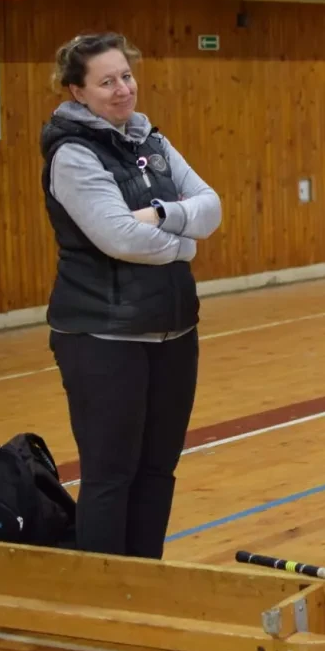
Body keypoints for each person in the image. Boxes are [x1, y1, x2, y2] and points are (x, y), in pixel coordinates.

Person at [41, 32, 222, 558]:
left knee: (158, 468)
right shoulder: (72, 154)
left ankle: (145, 582)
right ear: (77, 91)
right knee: (110, 474)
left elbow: (211, 205)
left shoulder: (149, 140)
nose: (123, 89)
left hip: (174, 330)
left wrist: (162, 214)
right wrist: (185, 244)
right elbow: (119, 237)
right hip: (103, 337)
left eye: (126, 75)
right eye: (107, 82)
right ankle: (103, 592)